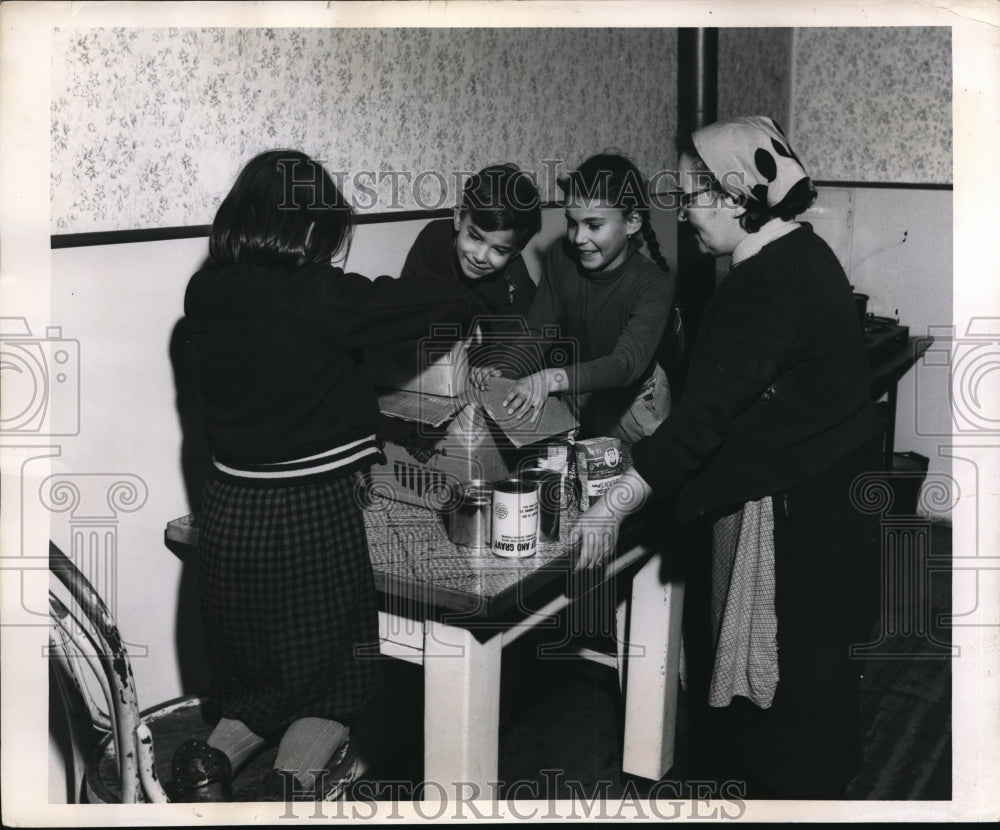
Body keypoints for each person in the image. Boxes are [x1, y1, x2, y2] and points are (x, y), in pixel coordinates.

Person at [569, 117, 885, 799]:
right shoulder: (803, 251)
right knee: (815, 680)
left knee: (778, 692)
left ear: (738, 197)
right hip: (834, 498)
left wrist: (609, 507)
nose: (684, 213)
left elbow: (698, 426)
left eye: (691, 198)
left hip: (800, 515)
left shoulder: (762, 285)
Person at [175, 150, 474, 802]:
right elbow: (418, 303)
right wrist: (467, 270)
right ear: (307, 227)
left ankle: (205, 766)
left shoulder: (204, 292)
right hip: (309, 515)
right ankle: (292, 786)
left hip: (228, 516)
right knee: (333, 682)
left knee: (257, 686)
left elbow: (296, 375)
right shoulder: (319, 294)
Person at [477, 152, 675, 445]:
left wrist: (550, 379)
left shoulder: (655, 283)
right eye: (572, 222)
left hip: (635, 406)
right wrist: (504, 375)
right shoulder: (561, 256)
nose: (579, 237)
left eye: (594, 225)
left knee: (645, 471)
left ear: (632, 222)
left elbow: (624, 365)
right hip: (577, 390)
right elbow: (538, 331)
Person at [400, 163, 541, 330]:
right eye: (475, 237)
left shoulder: (516, 288)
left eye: (499, 250)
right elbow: (404, 306)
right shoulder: (433, 239)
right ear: (458, 218)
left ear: (515, 253)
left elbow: (514, 344)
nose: (480, 257)